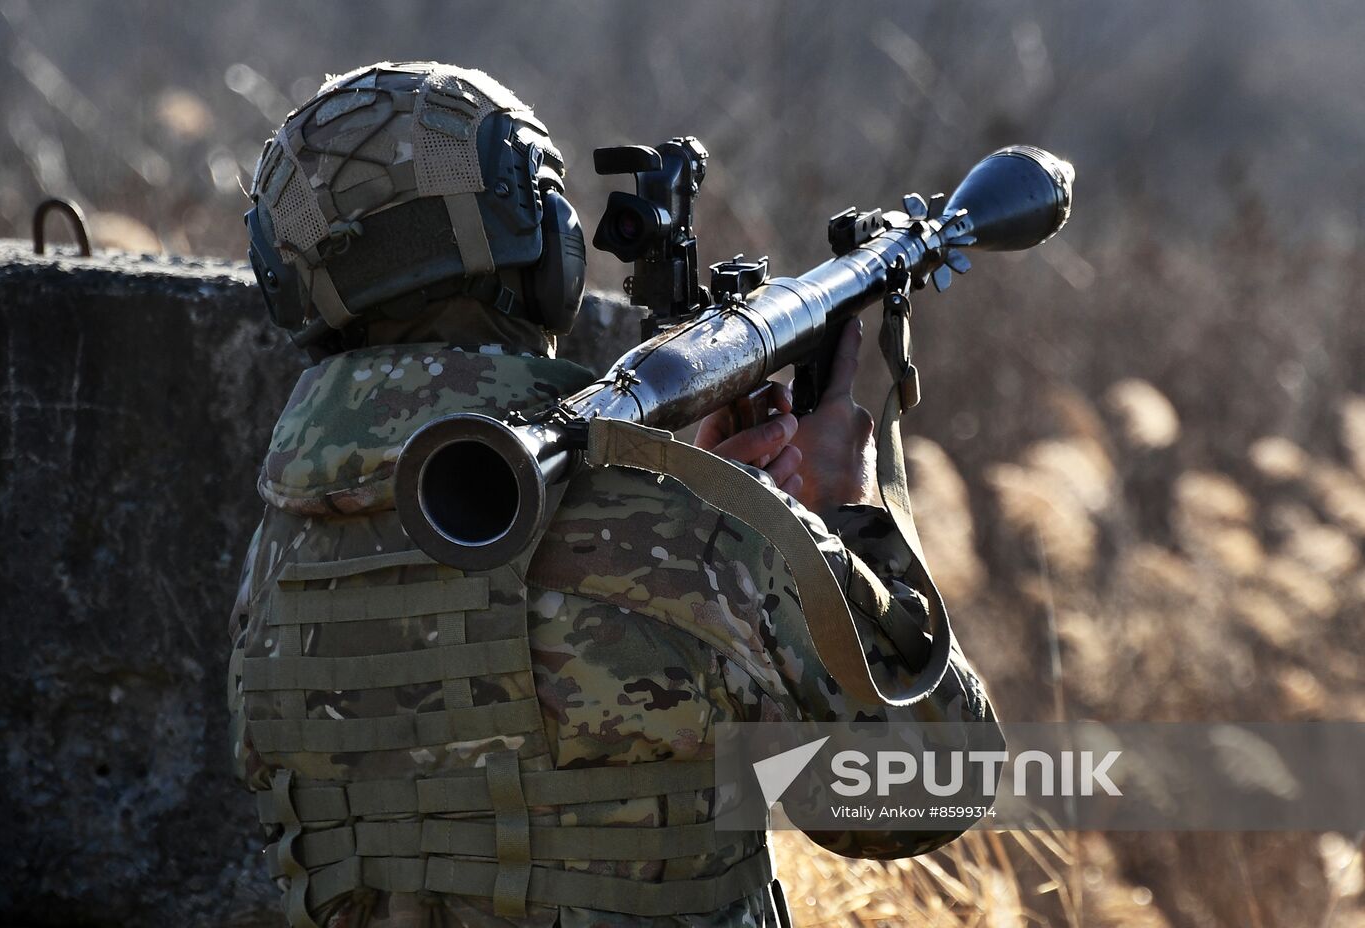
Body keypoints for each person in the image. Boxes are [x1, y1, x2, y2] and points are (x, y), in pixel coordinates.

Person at [229, 60, 998, 928]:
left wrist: (691, 500)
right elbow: (936, 785)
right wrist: (838, 521)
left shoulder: (275, 560)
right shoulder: (682, 542)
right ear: (534, 234)